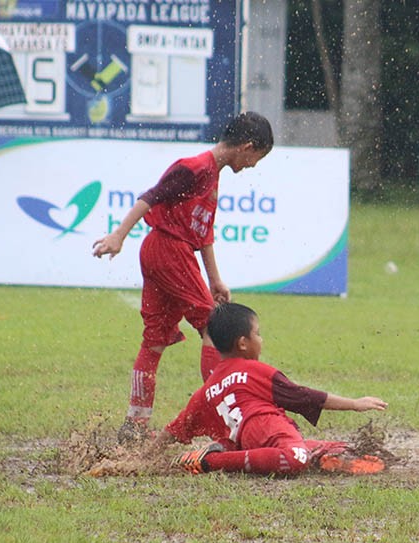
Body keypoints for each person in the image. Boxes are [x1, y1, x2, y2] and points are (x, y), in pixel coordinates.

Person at [92, 112, 274, 444]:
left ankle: (135, 425)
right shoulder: (195, 167)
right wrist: (118, 234)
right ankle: (224, 427)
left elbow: (203, 232)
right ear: (247, 147)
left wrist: (215, 279)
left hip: (164, 251)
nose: (253, 165)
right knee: (214, 329)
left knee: (155, 340)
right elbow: (151, 196)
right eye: (256, 158)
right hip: (169, 250)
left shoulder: (212, 174)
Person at [148, 303, 388, 475]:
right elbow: (302, 396)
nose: (261, 340)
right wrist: (355, 404)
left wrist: (144, 457)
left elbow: (175, 428)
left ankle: (320, 451)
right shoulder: (256, 370)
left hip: (250, 439)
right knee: (296, 458)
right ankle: (213, 461)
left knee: (329, 450)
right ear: (243, 343)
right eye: (258, 334)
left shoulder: (206, 390)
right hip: (265, 426)